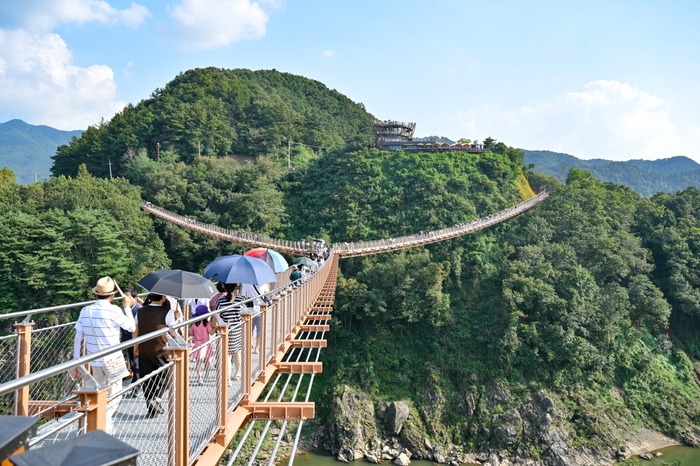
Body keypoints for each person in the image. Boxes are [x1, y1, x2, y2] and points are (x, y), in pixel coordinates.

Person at [72, 277, 136, 433]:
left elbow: (78, 337)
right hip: (113, 359)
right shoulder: (114, 310)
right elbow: (131, 327)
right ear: (112, 295)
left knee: (98, 393)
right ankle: (104, 425)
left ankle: (97, 425)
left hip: (93, 360)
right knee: (115, 394)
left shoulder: (85, 310)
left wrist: (75, 363)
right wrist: (127, 307)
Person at [135, 293, 175, 418]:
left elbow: (135, 330)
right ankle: (156, 398)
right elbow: (172, 331)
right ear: (163, 298)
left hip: (144, 349)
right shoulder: (167, 312)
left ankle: (151, 410)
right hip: (161, 350)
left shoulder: (140, 312)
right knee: (167, 376)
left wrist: (136, 346)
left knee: (147, 379)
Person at [215, 283, 243, 382]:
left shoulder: (220, 301)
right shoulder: (240, 300)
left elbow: (217, 315)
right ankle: (238, 373)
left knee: (227, 355)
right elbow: (243, 315)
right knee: (237, 352)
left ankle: (227, 379)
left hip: (225, 330)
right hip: (237, 330)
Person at [121, 287, 142, 397]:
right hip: (127, 339)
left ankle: (137, 386)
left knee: (136, 362)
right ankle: (136, 384)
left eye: (128, 297)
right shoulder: (123, 308)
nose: (126, 300)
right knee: (133, 363)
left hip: (136, 340)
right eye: (124, 297)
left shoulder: (139, 309)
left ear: (135, 298)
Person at [189, 305, 215, 385]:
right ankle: (207, 374)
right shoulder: (206, 324)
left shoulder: (194, 324)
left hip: (197, 345)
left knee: (198, 362)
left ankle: (200, 377)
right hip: (206, 344)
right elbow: (211, 333)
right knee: (207, 360)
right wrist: (215, 328)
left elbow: (190, 333)